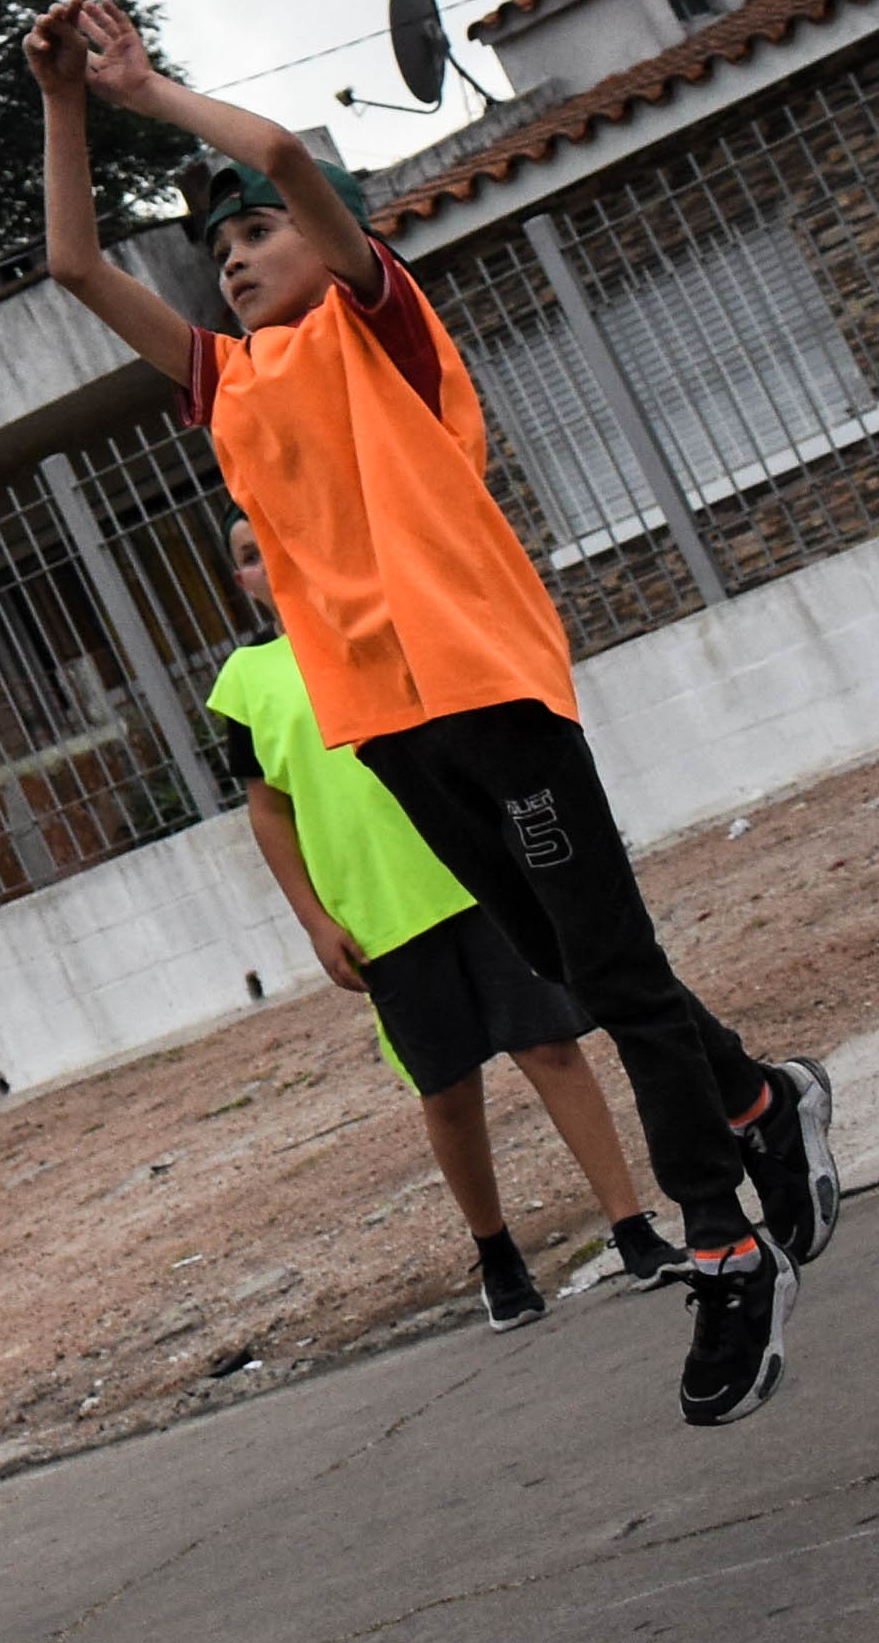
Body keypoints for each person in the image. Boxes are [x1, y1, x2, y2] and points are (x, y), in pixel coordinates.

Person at [23, 0, 836, 1425]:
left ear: (327, 241)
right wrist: (64, 106)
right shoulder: (227, 384)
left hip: (484, 683)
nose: (235, 261)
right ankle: (764, 1103)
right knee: (580, 969)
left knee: (614, 972)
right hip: (384, 725)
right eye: (217, 256)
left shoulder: (379, 328)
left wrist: (147, 84)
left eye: (257, 237)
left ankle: (723, 1241)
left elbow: (276, 150)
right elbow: (73, 263)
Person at [212, 512, 682, 1325]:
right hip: (378, 917)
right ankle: (496, 1255)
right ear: (242, 581)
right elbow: (267, 812)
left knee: (550, 1048)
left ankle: (632, 1227)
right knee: (447, 1090)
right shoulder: (243, 683)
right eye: (246, 559)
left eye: (271, 543)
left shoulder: (374, 624)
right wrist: (314, 921)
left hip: (475, 881)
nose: (264, 564)